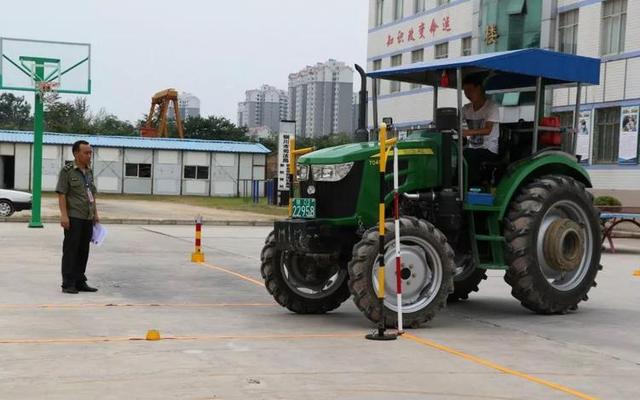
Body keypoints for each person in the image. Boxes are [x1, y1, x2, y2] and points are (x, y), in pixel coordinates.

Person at [55, 140, 99, 294]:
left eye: (90, 153)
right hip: (73, 217)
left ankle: (80, 281)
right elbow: (62, 194)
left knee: (83, 250)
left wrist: (95, 214)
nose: (89, 156)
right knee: (71, 250)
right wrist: (64, 215)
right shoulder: (67, 171)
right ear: (76, 153)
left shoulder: (89, 171)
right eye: (86, 153)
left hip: (87, 216)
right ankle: (68, 283)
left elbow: (92, 194)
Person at [461, 74, 501, 187]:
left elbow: (488, 129)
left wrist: (467, 132)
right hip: (472, 148)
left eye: (470, 90)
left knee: (468, 155)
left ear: (479, 89)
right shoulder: (466, 108)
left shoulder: (492, 107)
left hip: (488, 149)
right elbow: (455, 121)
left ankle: (472, 187)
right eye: (465, 91)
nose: (467, 94)